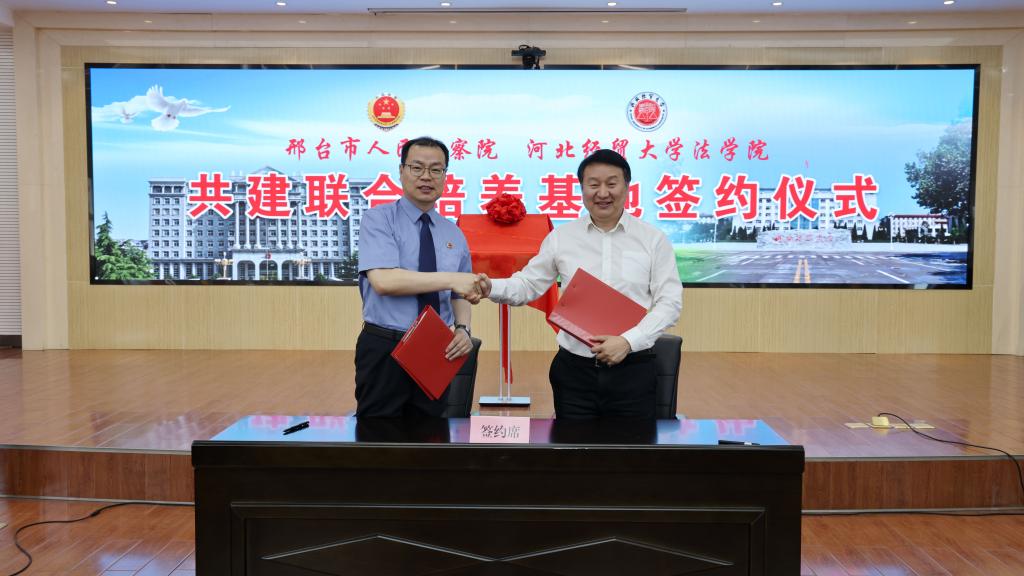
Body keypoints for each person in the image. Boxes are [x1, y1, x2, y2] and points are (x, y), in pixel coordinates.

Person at [477, 149, 682, 419]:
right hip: (574, 372)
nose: (602, 193)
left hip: (633, 369)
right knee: (572, 445)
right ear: (582, 188)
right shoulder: (561, 237)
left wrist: (627, 341)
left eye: (611, 183)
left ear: (627, 186)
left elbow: (669, 303)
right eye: (593, 184)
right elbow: (528, 284)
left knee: (632, 446)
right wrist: (489, 287)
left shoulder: (653, 239)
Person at [355, 136, 481, 418]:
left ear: (445, 176)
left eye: (436, 169)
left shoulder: (453, 232)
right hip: (386, 346)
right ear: (401, 171)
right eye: (417, 167)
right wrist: (451, 279)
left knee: (432, 431)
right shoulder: (379, 219)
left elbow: (459, 293)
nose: (426, 176)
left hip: (437, 347)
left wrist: (463, 328)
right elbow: (384, 282)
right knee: (378, 432)